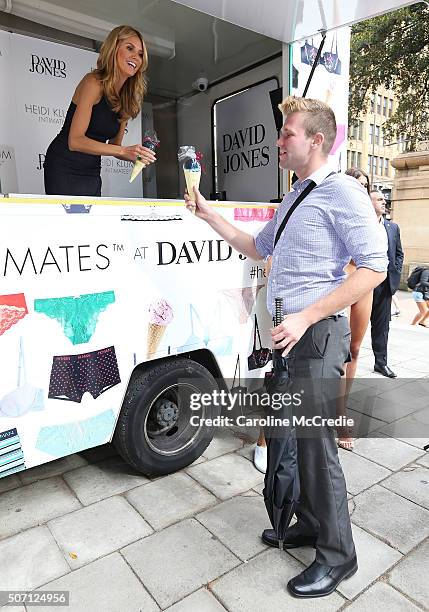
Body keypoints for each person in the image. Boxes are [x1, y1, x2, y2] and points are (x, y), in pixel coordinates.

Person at [185, 96, 387, 598]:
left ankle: (339, 557)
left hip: (317, 338)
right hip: (287, 340)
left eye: (287, 134)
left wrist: (308, 314)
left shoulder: (341, 192)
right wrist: (209, 215)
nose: (278, 142)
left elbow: (375, 266)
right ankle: (311, 525)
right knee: (291, 443)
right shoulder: (298, 195)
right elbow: (258, 247)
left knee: (317, 452)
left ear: (316, 140)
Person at [44, 25, 156, 196]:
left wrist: (138, 155)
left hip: (91, 169)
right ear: (114, 49)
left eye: (141, 54)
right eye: (129, 48)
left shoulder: (127, 98)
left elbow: (115, 146)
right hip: (63, 164)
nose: (136, 57)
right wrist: (124, 151)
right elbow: (75, 141)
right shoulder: (94, 82)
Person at [336, 167, 373, 451]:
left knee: (355, 350)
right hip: (338, 280)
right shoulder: (334, 203)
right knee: (335, 351)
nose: (361, 189)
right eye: (356, 184)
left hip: (364, 280)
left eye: (365, 185)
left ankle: (342, 410)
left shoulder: (370, 216)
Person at [369, 189, 404, 378]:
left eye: (384, 199)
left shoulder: (393, 227)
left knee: (382, 327)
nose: (384, 202)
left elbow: (399, 253)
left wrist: (395, 274)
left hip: (384, 284)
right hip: (364, 283)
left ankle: (380, 363)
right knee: (351, 327)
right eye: (379, 199)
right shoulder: (362, 224)